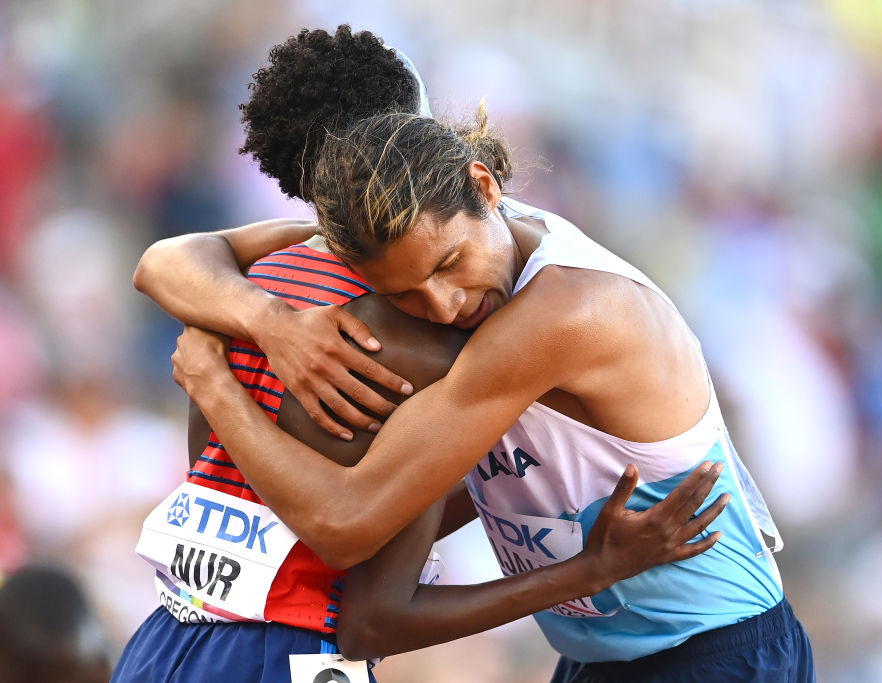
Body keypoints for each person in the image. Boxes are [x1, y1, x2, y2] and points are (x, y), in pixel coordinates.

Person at [116, 26, 727, 683]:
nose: (439, 300)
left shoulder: (254, 273)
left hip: (168, 639)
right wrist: (590, 568)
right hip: (291, 651)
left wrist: (237, 353)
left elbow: (161, 263)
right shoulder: (434, 335)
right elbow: (370, 601)